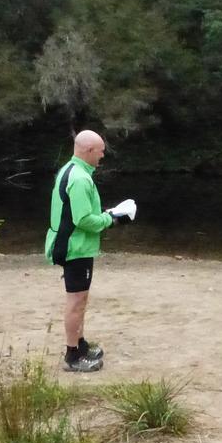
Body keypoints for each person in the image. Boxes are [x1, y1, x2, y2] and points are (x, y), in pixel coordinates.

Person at [45, 129, 133, 372]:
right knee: (76, 301)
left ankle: (80, 344)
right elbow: (83, 219)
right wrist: (112, 219)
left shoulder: (70, 170)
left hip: (73, 245)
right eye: (101, 151)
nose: (103, 156)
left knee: (80, 299)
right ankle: (73, 356)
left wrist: (108, 215)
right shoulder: (80, 179)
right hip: (75, 248)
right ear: (88, 151)